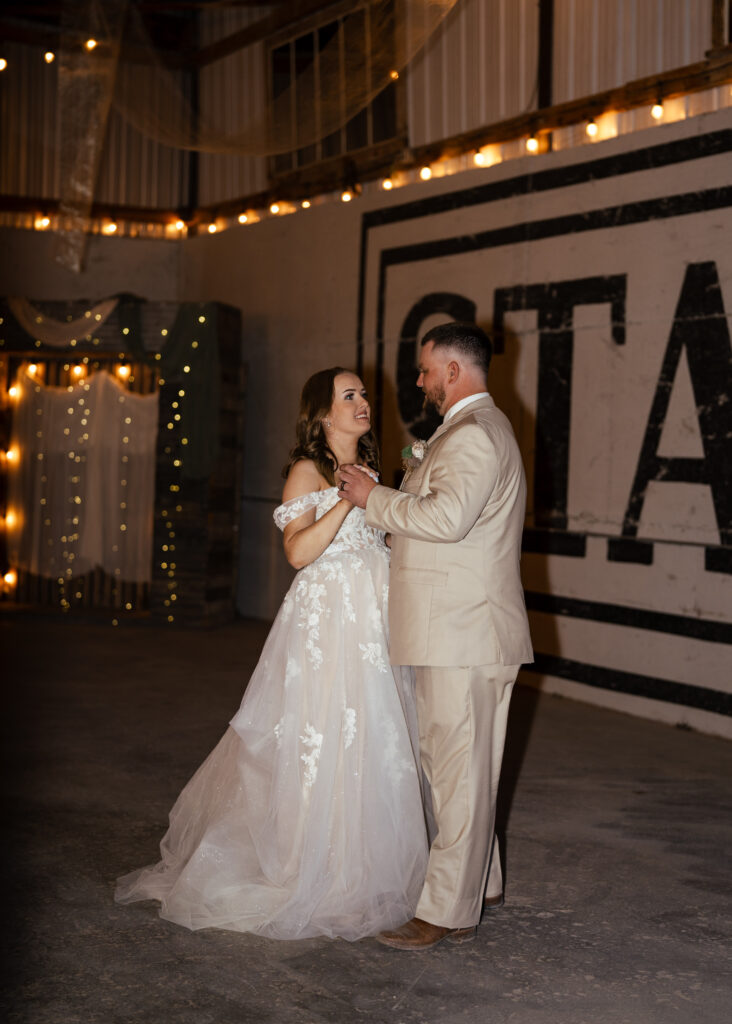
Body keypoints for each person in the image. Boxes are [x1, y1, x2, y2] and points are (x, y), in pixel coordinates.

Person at [115, 368, 428, 940]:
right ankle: (311, 864)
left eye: (363, 394)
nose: (363, 402)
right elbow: (299, 552)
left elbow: (375, 539)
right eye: (349, 396)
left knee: (376, 733)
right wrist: (346, 500)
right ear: (323, 413)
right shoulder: (308, 470)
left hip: (371, 615)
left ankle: (366, 863)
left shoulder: (372, 466)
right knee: (323, 731)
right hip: (327, 620)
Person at [339, 322, 533, 950]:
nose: (420, 380)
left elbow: (446, 519)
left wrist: (374, 497)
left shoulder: (475, 434)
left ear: (453, 370)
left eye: (426, 369)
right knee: (459, 767)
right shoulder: (469, 430)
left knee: (457, 771)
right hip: (458, 630)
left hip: (465, 632)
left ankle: (447, 911)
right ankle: (484, 881)